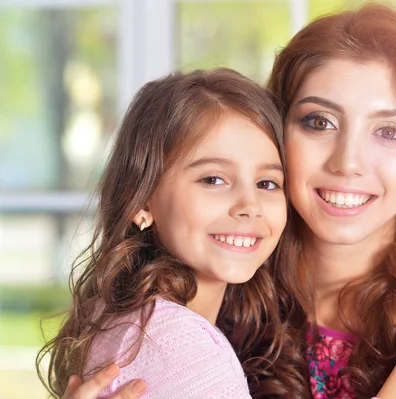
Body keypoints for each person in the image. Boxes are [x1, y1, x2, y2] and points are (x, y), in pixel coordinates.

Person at [55, 3, 396, 399]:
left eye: (389, 131)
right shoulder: (225, 285)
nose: (348, 162)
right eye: (319, 122)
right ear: (272, 133)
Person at [36, 68, 289, 398]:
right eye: (213, 179)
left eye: (266, 183)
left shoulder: (117, 315)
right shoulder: (187, 351)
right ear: (142, 200)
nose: (249, 205)